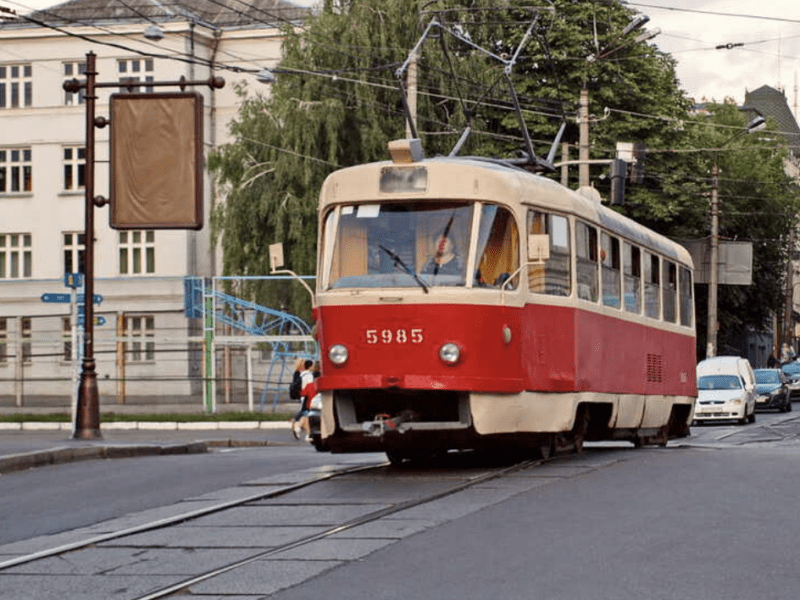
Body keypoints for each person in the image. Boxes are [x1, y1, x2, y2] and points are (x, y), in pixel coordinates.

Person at [290, 359, 315, 439]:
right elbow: (310, 386)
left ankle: (300, 428)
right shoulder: (309, 375)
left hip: (303, 396)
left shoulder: (301, 375)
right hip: (308, 396)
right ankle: (298, 426)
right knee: (306, 414)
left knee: (305, 413)